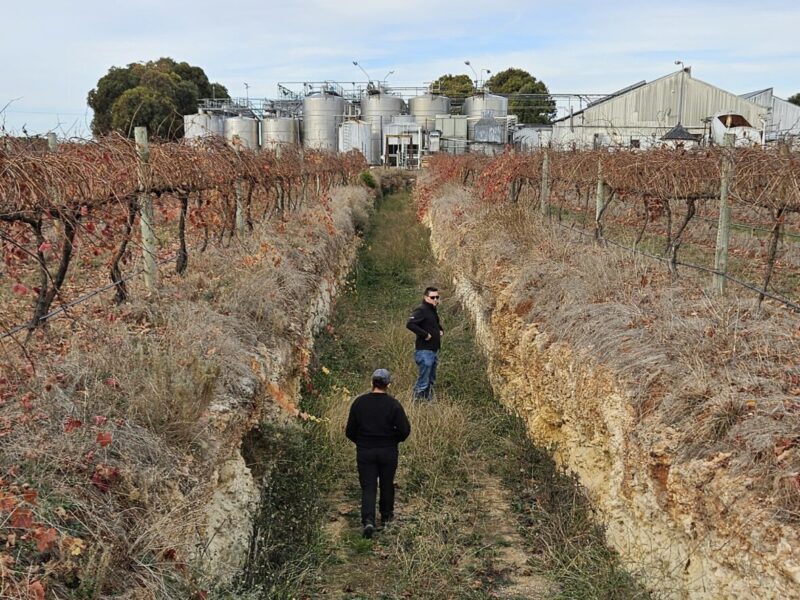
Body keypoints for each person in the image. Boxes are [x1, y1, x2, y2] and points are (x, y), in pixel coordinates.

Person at [345, 368, 411, 539]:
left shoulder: (359, 403)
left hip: (365, 451)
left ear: (371, 383)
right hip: (388, 451)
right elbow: (405, 430)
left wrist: (362, 441)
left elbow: (350, 431)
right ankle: (387, 517)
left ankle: (368, 520)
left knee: (368, 486)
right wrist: (393, 440)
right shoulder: (393, 404)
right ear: (388, 385)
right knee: (387, 484)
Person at [406, 287, 443, 401]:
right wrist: (425, 335)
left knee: (431, 379)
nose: (435, 299)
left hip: (433, 350)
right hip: (424, 351)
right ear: (426, 297)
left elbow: (435, 323)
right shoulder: (421, 310)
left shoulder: (432, 310)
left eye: (437, 297)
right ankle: (416, 402)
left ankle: (427, 402)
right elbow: (410, 324)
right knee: (424, 381)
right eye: (432, 297)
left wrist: (440, 330)